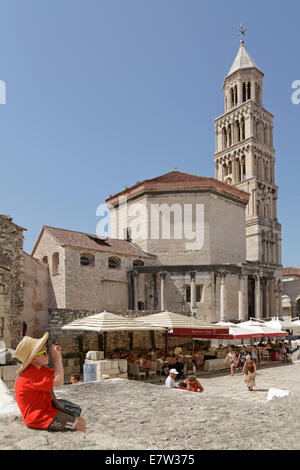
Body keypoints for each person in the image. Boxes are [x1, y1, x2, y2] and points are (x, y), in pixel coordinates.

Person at [14, 332, 86, 432]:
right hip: (38, 418)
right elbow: (58, 381)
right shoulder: (29, 375)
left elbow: (56, 374)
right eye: (44, 353)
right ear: (33, 358)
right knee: (79, 424)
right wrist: (57, 360)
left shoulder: (39, 369)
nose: (47, 355)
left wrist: (57, 355)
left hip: (45, 409)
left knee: (76, 412)